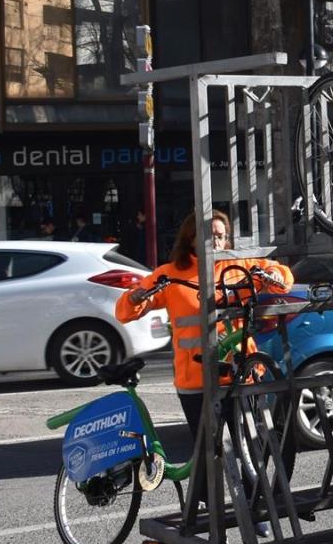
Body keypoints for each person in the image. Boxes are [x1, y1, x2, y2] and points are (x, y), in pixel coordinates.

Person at [114, 211, 293, 499]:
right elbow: (125, 311)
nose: (217, 241)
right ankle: (205, 507)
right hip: (195, 378)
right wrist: (135, 298)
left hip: (239, 372)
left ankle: (256, 505)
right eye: (211, 235)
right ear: (192, 238)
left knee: (249, 443)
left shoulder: (237, 266)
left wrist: (274, 275)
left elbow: (282, 276)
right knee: (207, 447)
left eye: (222, 236)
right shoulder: (170, 274)